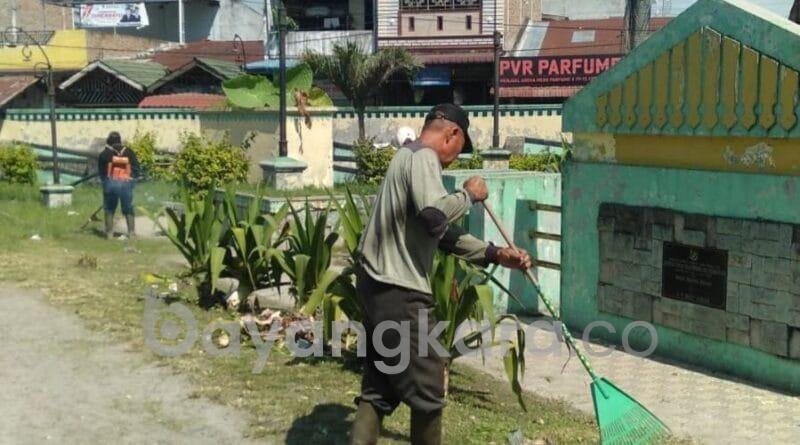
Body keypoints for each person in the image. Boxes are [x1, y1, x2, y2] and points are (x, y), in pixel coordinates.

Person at [350, 104, 532, 445]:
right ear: (452, 134)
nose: (453, 160)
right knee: (430, 389)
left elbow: (440, 233)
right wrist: (470, 195)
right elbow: (436, 216)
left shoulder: (405, 157)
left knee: (380, 386)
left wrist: (494, 253)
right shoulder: (423, 158)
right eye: (458, 151)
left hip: (375, 286)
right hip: (400, 291)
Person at [98, 131, 140, 239]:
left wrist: (106, 184)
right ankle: (131, 233)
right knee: (128, 208)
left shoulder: (104, 154)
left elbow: (102, 174)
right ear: (120, 140)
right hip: (126, 185)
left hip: (110, 185)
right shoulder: (129, 152)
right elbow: (136, 169)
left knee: (109, 209)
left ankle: (109, 234)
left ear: (109, 141)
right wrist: (131, 180)